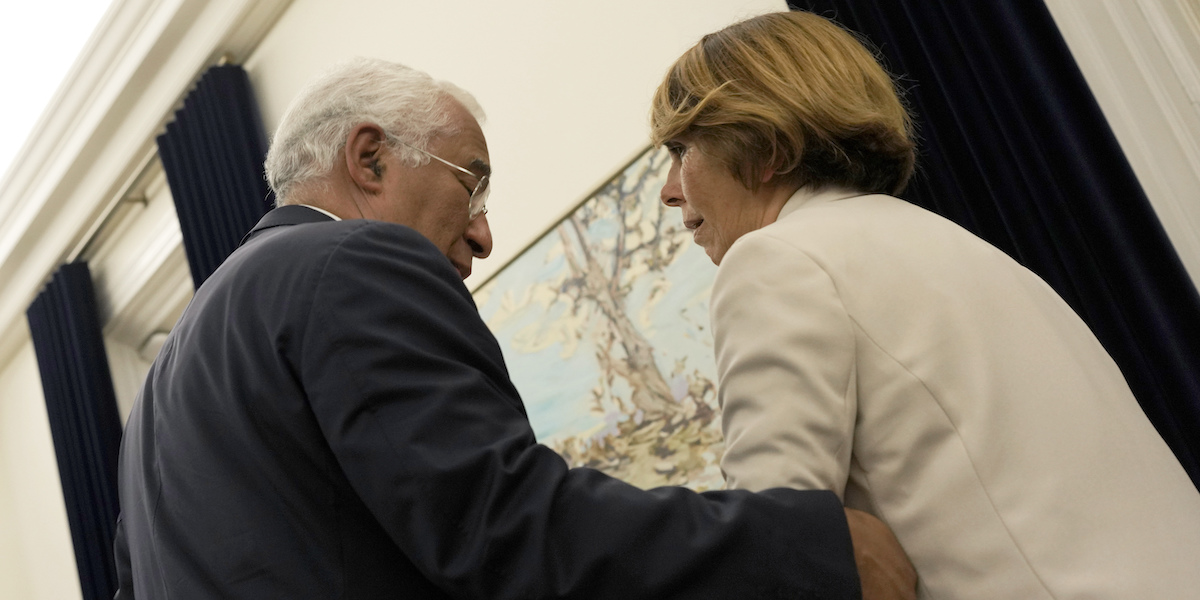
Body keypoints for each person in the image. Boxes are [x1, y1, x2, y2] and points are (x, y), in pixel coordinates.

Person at [112, 56, 917, 599]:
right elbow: (502, 530)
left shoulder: (158, 393)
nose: (484, 234)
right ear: (370, 159)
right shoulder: (352, 262)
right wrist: (803, 549)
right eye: (474, 186)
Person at [651, 10, 1200, 599]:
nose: (669, 191)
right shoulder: (952, 242)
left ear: (769, 149)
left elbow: (783, 550)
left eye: (683, 149)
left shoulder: (775, 260)